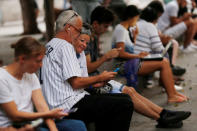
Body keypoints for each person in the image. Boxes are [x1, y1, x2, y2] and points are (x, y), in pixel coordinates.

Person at [85, 6, 191, 128]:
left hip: (97, 78)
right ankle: (162, 116)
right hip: (99, 78)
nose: (105, 30)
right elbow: (89, 68)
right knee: (129, 93)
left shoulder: (94, 37)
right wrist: (105, 58)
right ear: (95, 24)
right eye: (105, 26)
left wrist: (135, 40)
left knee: (131, 90)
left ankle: (163, 113)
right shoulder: (89, 39)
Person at [40, 10, 133, 131]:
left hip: (59, 102)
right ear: (68, 28)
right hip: (66, 106)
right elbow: (76, 82)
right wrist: (99, 78)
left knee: (123, 99)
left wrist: (95, 82)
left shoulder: (50, 45)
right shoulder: (65, 46)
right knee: (125, 104)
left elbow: (72, 81)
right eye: (78, 30)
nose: (79, 34)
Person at [0, 37, 87, 131]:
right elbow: (15, 116)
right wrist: (48, 114)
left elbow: (42, 108)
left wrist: (54, 129)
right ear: (22, 59)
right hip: (11, 127)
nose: (41, 65)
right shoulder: (2, 78)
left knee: (77, 126)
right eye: (38, 61)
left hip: (32, 123)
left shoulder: (31, 75)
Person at [111, 5, 189, 103]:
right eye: (136, 18)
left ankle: (173, 93)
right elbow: (120, 53)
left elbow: (130, 48)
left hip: (131, 62)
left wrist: (135, 38)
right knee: (163, 62)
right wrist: (138, 56)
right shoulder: (121, 30)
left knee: (163, 60)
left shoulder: (127, 29)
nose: (137, 21)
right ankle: (171, 95)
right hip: (124, 65)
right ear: (133, 17)